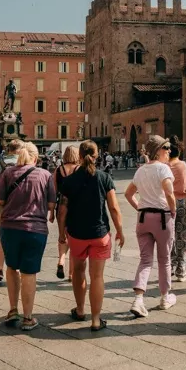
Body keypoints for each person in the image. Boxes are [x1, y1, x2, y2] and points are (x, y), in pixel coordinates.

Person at [59, 141, 125, 331]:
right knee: (97, 276)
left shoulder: (69, 181)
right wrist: (120, 230)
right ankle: (96, 319)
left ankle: (80, 310)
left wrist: (62, 232)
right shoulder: (104, 178)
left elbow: (62, 210)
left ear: (79, 155)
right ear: (97, 156)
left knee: (79, 272)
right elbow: (113, 207)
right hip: (100, 234)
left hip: (77, 234)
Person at [0, 142, 55, 331]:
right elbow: (52, 204)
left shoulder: (7, 173)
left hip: (10, 228)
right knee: (29, 273)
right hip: (36, 229)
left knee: (11, 268)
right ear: (35, 158)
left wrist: (4, 214)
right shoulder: (45, 175)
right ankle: (28, 318)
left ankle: (12, 310)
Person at [124, 136, 177, 317]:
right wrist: (173, 210)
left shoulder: (140, 171)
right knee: (165, 259)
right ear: (158, 151)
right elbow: (169, 193)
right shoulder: (163, 169)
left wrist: (140, 207)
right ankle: (164, 297)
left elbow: (128, 194)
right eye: (166, 148)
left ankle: (138, 300)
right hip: (162, 217)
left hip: (143, 218)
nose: (169, 151)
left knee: (145, 259)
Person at [0, 140, 25, 282]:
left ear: (8, 150)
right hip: (22, 206)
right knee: (21, 237)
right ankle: (19, 269)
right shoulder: (25, 164)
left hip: (2, 207)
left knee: (4, 238)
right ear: (21, 150)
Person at [168, 136, 186, 282]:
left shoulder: (163, 167)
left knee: (169, 237)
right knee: (184, 236)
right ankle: (182, 270)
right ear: (179, 151)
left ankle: (169, 268)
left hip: (167, 203)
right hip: (184, 203)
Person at [54, 145, 80, 280]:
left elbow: (54, 191)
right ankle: (71, 274)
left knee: (62, 235)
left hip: (61, 205)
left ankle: (61, 260)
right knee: (74, 238)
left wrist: (51, 213)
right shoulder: (79, 169)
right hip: (76, 206)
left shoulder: (59, 170)